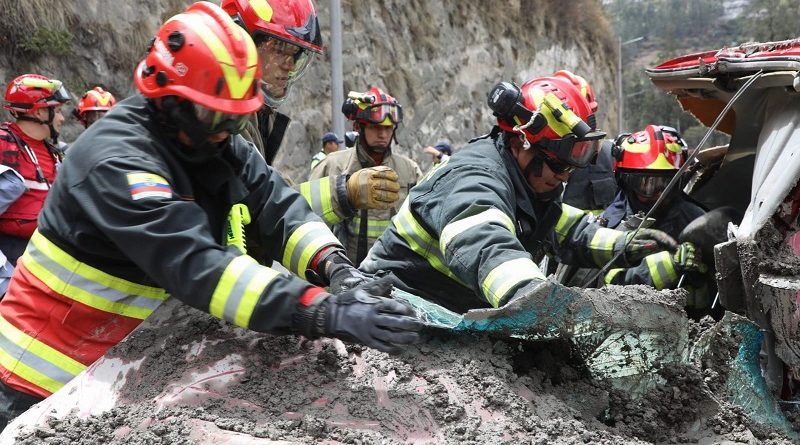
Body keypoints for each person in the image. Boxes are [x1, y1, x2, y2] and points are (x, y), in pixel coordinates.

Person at [0, 2, 421, 428]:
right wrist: (322, 312)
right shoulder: (116, 160)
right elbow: (200, 268)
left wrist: (335, 268)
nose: (225, 130)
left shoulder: (213, 137)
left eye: (235, 118)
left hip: (113, 372)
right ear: (168, 101)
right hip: (37, 378)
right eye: (215, 115)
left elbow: (278, 207)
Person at [359, 74, 678, 313]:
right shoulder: (475, 178)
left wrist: (626, 244)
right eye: (557, 166)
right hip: (393, 310)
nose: (563, 177)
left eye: (570, 168)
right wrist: (538, 299)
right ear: (522, 142)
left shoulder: (525, 186)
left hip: (446, 313)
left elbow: (565, 229)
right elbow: (486, 243)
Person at [221, 0, 403, 243]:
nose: (289, 65)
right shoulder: (223, 118)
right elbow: (267, 204)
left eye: (295, 54)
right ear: (239, 41)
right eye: (278, 48)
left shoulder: (254, 114)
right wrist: (344, 192)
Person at [309, 87, 423, 264]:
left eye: (388, 128)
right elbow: (306, 219)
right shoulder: (333, 166)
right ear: (358, 126)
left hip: (394, 276)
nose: (383, 134)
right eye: (375, 127)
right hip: (342, 275)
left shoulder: (410, 171)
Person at [600, 125, 708, 303]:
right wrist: (670, 265)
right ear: (626, 181)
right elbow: (607, 285)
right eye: (648, 184)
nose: (659, 194)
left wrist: (701, 269)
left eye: (667, 184)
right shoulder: (611, 225)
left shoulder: (697, 219)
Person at [0, 74, 69, 267]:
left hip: (47, 248)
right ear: (39, 113)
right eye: (58, 111)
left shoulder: (54, 152)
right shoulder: (4, 144)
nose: (62, 118)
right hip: (11, 253)